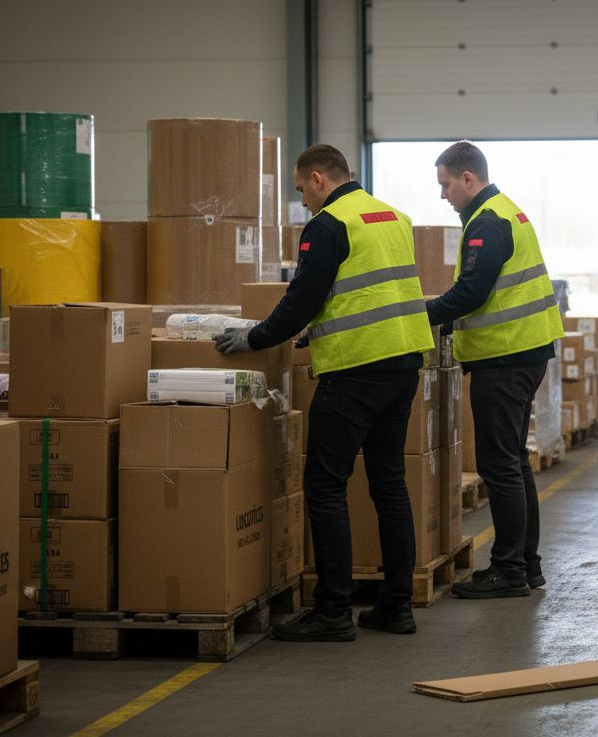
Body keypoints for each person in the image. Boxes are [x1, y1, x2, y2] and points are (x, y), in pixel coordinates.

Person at [213, 144, 433, 640]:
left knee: (325, 484)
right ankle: (397, 607)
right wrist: (318, 330)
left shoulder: (329, 223)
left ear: (318, 179)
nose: (304, 202)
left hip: (355, 370)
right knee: (389, 483)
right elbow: (369, 292)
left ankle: (332, 611)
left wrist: (255, 338)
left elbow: (302, 298)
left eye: (301, 190)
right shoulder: (392, 217)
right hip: (403, 364)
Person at [425, 141, 564, 599]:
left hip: (505, 358)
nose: (443, 195)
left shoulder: (488, 221)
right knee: (514, 462)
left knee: (500, 465)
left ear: (468, 178)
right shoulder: (507, 211)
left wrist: (419, 315)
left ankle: (507, 570)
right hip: (523, 352)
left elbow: (471, 293)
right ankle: (526, 564)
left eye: (446, 184)